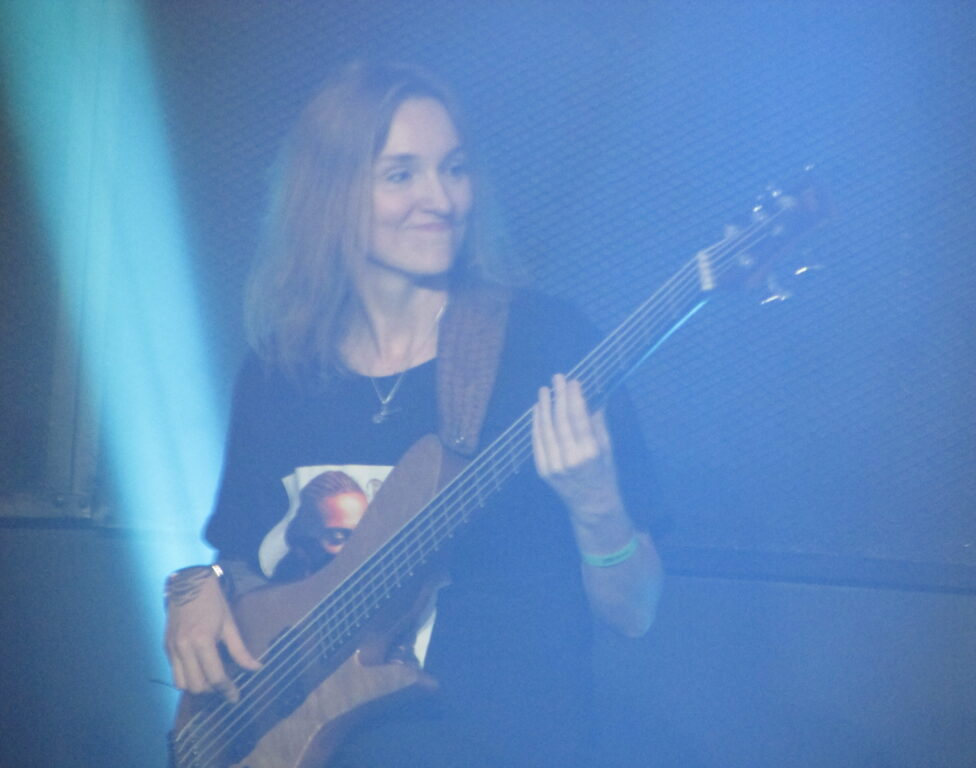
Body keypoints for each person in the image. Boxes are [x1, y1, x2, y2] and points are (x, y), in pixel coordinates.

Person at [163, 60, 663, 767]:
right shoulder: (280, 371)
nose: (442, 198)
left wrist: (597, 504)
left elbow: (635, 612)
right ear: (332, 194)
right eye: (401, 174)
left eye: (454, 169)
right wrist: (195, 589)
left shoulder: (547, 345)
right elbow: (242, 563)